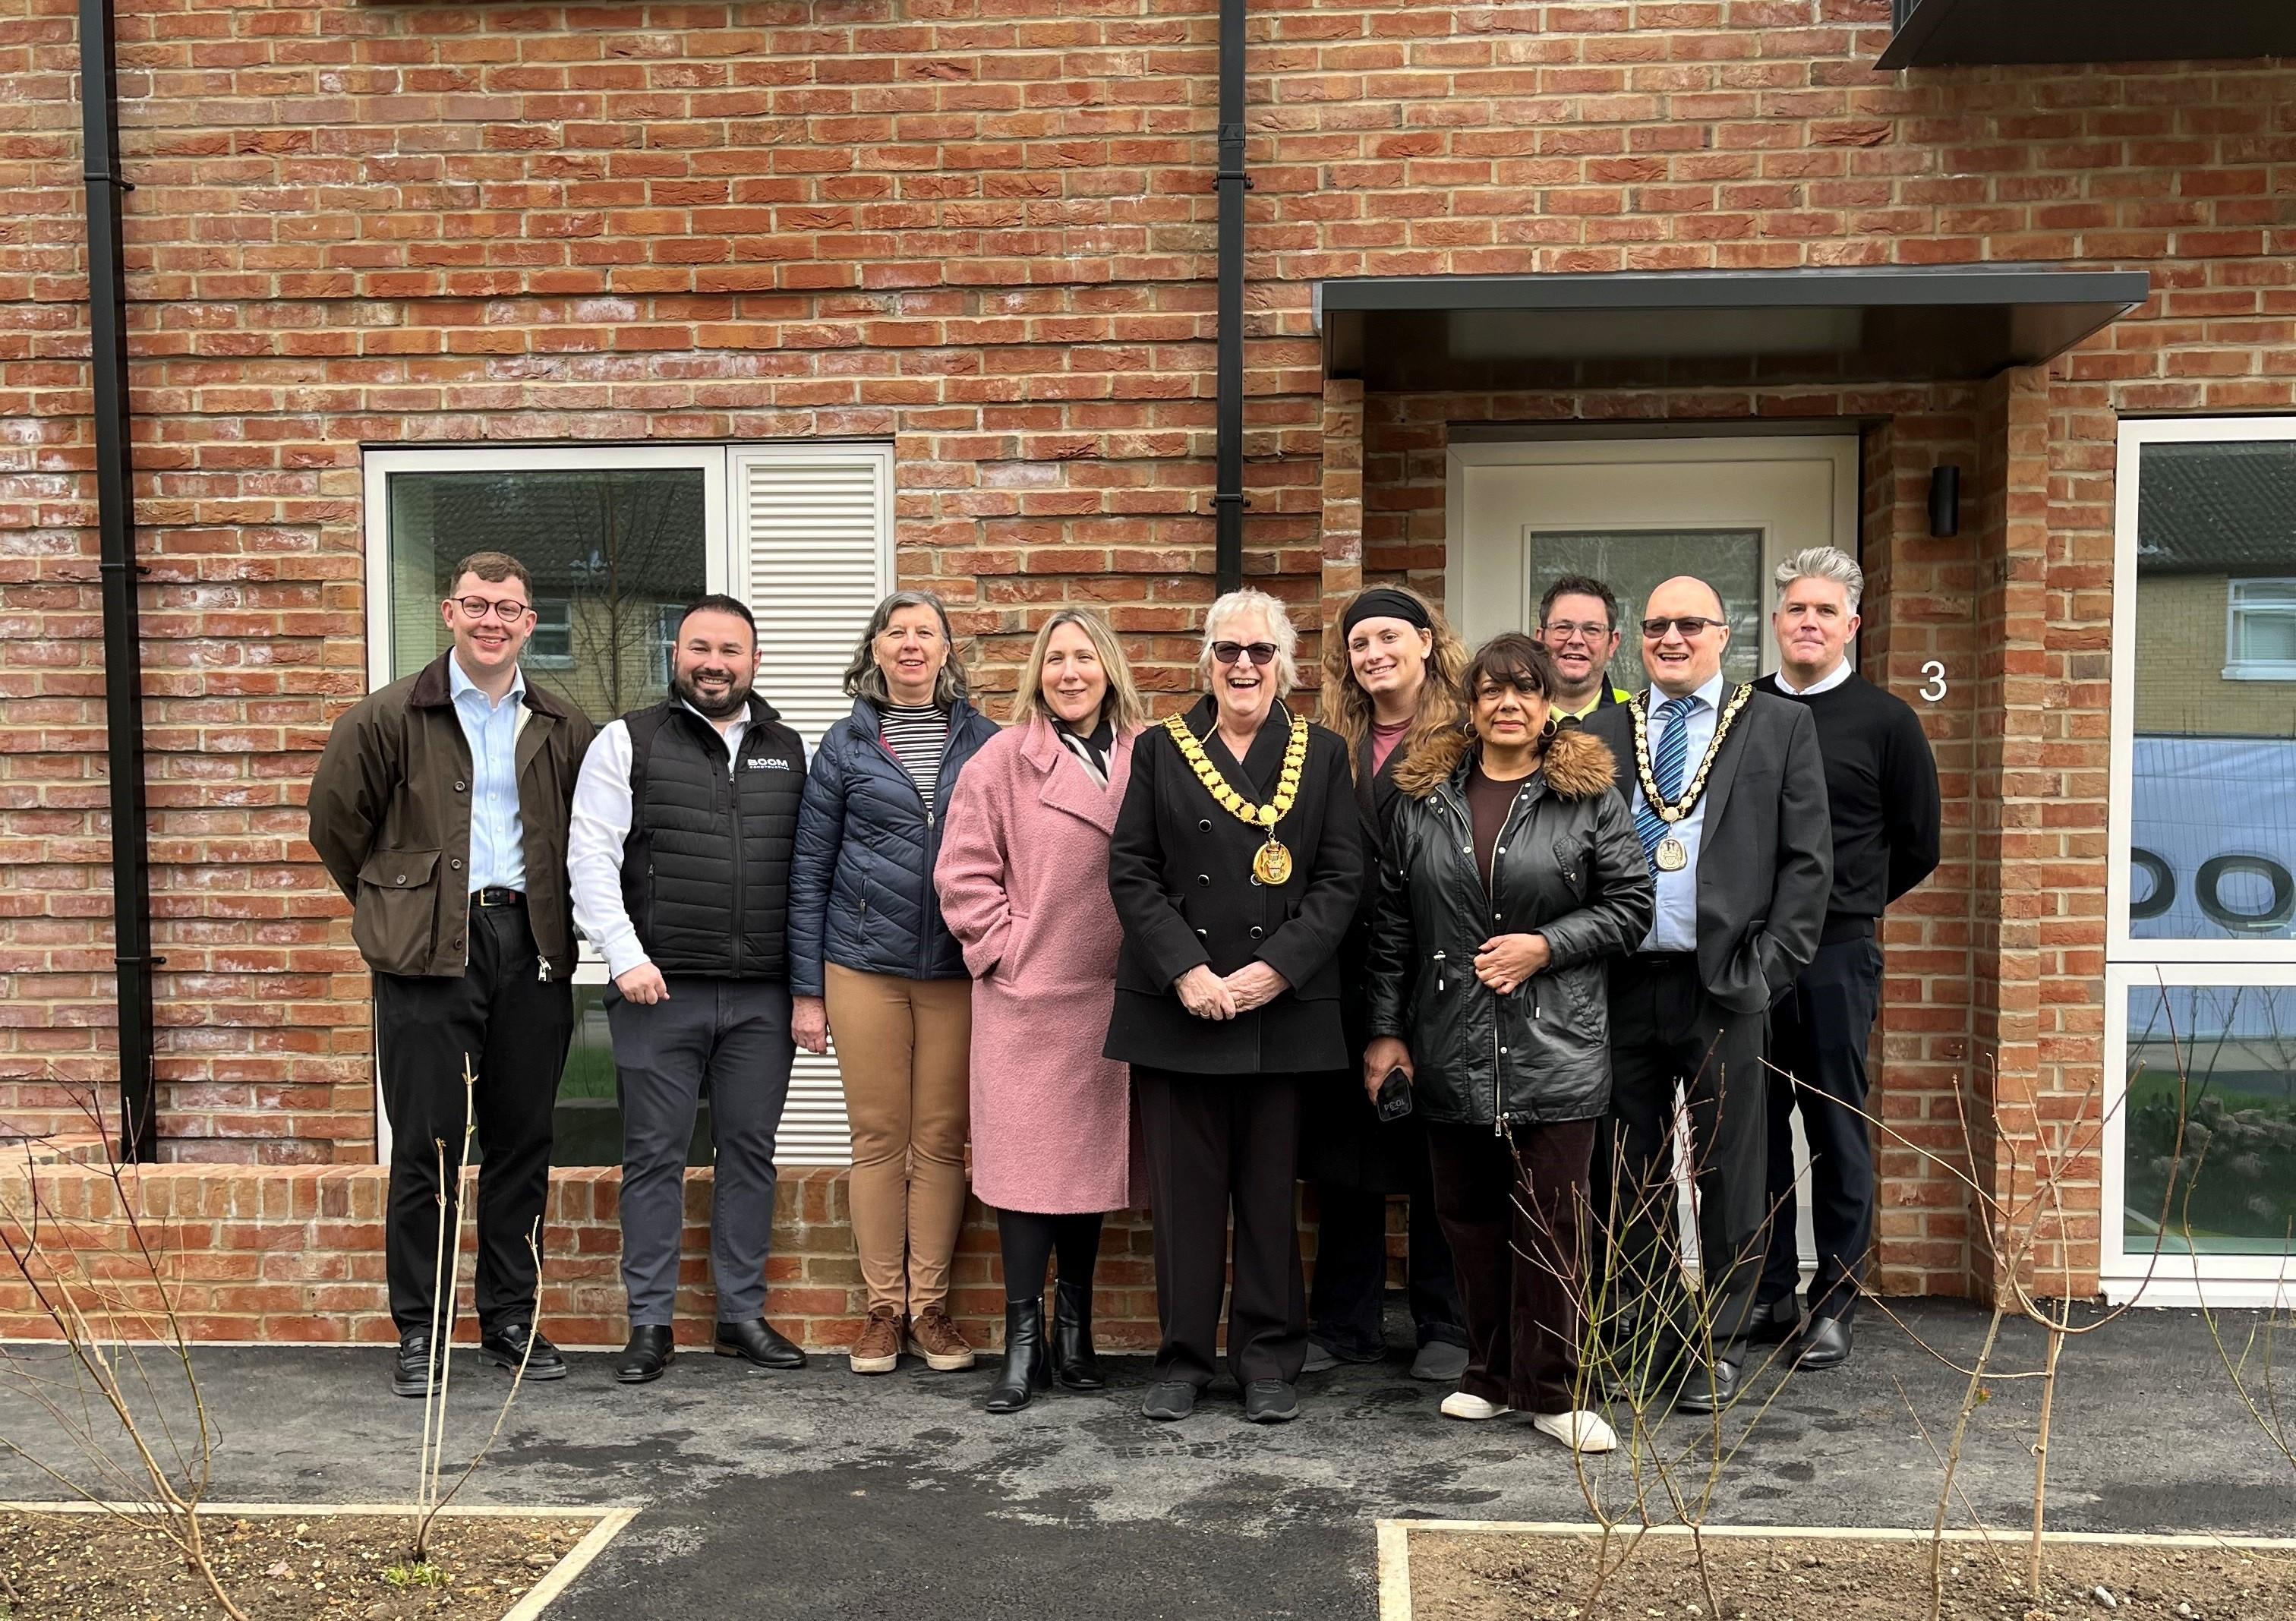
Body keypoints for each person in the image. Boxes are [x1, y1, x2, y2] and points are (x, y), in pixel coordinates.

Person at [308, 550, 595, 1397]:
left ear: (529, 621)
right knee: (428, 1146)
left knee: (522, 1141)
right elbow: (335, 825)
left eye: (508, 608)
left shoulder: (561, 721)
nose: (492, 621)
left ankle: (509, 1318)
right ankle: (421, 1330)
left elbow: (587, 834)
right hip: (430, 951)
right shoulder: (390, 715)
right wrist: (402, 900)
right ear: (448, 612)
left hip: (533, 944)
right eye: (477, 605)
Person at [1364, 633, 1653, 1450]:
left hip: (1555, 1041)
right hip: (1450, 1039)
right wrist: (1386, 1032)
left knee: (1553, 1220)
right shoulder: (1423, 796)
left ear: (1548, 701)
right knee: (1469, 1217)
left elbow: (1632, 905)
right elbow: (1392, 927)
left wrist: (1546, 944)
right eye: (1493, 690)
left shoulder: (1589, 794)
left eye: (1525, 689)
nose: (1509, 704)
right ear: (1471, 701)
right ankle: (1490, 1373)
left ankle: (1556, 1388)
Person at [1106, 588, 1363, 1424]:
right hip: (1180, 1005)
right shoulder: (1159, 749)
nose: (1243, 665)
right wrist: (1186, 969)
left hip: (1279, 1010)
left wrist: (1274, 970)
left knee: (1265, 1194)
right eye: (1228, 651)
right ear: (1206, 659)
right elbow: (1133, 871)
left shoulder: (1322, 753)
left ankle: (1267, 1358)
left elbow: (1338, 880)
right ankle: (1182, 1357)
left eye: (1259, 652)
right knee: (1183, 1199)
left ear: (1284, 663)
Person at [1583, 575, 1831, 1414]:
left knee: (1730, 1169)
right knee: (1630, 1168)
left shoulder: (1779, 725)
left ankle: (1715, 1343)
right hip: (1622, 982)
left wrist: (1767, 969)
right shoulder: (1599, 731)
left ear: (1727, 634)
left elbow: (1808, 866)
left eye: (1691, 624)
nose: (1673, 638)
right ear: (1637, 640)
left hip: (1726, 983)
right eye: (1656, 626)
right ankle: (1644, 1329)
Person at [567, 594, 812, 1386]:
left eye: (731, 649)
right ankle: (650, 1323)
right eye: (700, 646)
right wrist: (625, 955)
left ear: (755, 661)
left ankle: (741, 1314)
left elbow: (809, 875)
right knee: (653, 1159)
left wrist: (806, 986)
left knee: (749, 1153)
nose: (715, 662)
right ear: (677, 653)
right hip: (657, 990)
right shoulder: (626, 739)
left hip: (760, 998)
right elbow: (590, 859)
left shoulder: (788, 747)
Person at [934, 608, 1146, 1412]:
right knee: (1025, 1177)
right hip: (1027, 998)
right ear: (1038, 672)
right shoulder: (1001, 760)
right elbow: (962, 873)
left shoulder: (1145, 754)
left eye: (1083, 656)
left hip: (1112, 996)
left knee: (1088, 1172)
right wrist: (1006, 948)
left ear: (1108, 667)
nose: (1069, 671)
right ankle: (1021, 1342)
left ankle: (1074, 1331)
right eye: (1055, 658)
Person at [790, 590, 999, 1377]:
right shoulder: (843, 744)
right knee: (880, 1136)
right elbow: (810, 867)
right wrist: (807, 989)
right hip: (861, 964)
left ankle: (930, 1309)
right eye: (896, 632)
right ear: (875, 648)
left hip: (956, 968)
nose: (911, 644)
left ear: (947, 649)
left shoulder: (987, 741)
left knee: (943, 1137)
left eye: (926, 632)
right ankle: (881, 1310)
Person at [1749, 547, 1940, 1371]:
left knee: (1833, 1126)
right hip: (1746, 957)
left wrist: (1848, 902)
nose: (1809, 622)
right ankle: (1762, 1290)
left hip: (1835, 953)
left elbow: (1920, 843)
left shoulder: (1886, 720)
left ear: (1851, 625)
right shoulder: (1742, 710)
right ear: (1777, 619)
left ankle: (1832, 1301)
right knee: (1750, 1131)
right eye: (1796, 608)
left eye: (1826, 611)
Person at [1304, 586, 1470, 1384]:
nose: (1374, 654)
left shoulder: (1468, 738)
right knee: (1349, 1148)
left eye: (1389, 637)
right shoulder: (1330, 742)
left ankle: (1447, 1318)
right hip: (1346, 969)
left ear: (1427, 643)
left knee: (1441, 1145)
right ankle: (1344, 1322)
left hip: (1443, 970)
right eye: (1360, 643)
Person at [1534, 576, 1633, 721]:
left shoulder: (1636, 720)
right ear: (1540, 639)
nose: (1576, 640)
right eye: (1563, 627)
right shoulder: (1511, 719)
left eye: (1592, 629)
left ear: (1612, 644)